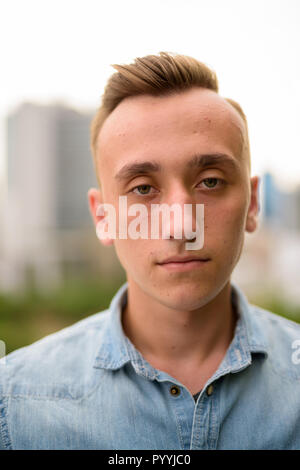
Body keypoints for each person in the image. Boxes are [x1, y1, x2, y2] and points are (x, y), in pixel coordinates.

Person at [1, 52, 300, 450]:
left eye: (210, 181)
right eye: (143, 189)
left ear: (253, 203)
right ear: (103, 216)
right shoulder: (15, 402)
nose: (180, 225)